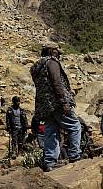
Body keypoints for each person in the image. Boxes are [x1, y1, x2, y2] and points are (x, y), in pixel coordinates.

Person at [31, 42, 81, 172]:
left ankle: (49, 162)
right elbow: (56, 82)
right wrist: (64, 101)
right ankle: (75, 155)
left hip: (44, 106)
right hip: (56, 103)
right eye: (57, 52)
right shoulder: (52, 63)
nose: (58, 55)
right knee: (75, 126)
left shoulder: (37, 67)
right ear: (52, 51)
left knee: (50, 132)